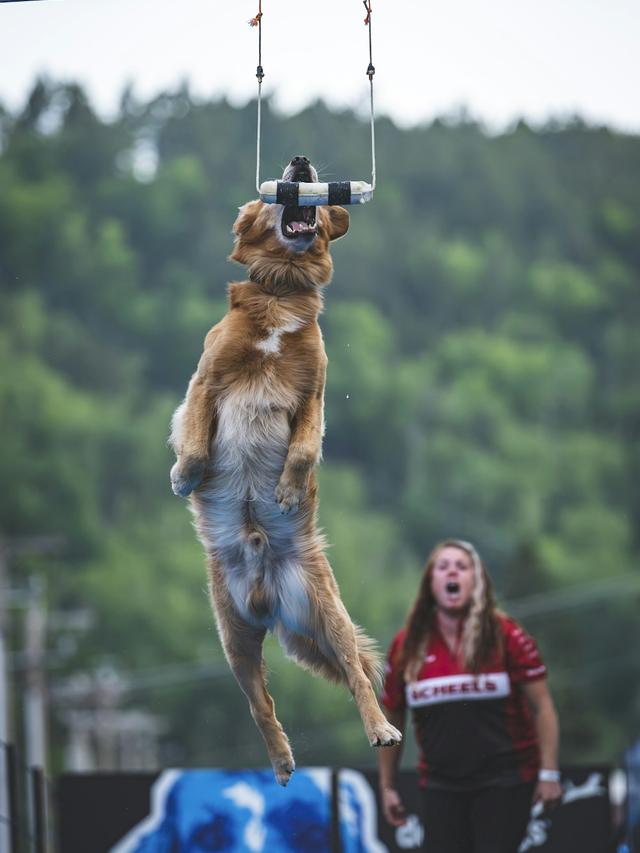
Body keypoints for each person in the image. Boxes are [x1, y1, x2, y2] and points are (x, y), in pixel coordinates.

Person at [378, 538, 562, 853]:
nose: (453, 572)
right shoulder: (406, 646)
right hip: (440, 782)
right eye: (444, 566)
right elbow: (391, 714)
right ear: (431, 583)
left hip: (506, 779)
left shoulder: (506, 635)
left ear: (476, 581)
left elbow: (542, 707)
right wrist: (388, 785)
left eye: (462, 567)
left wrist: (548, 772)